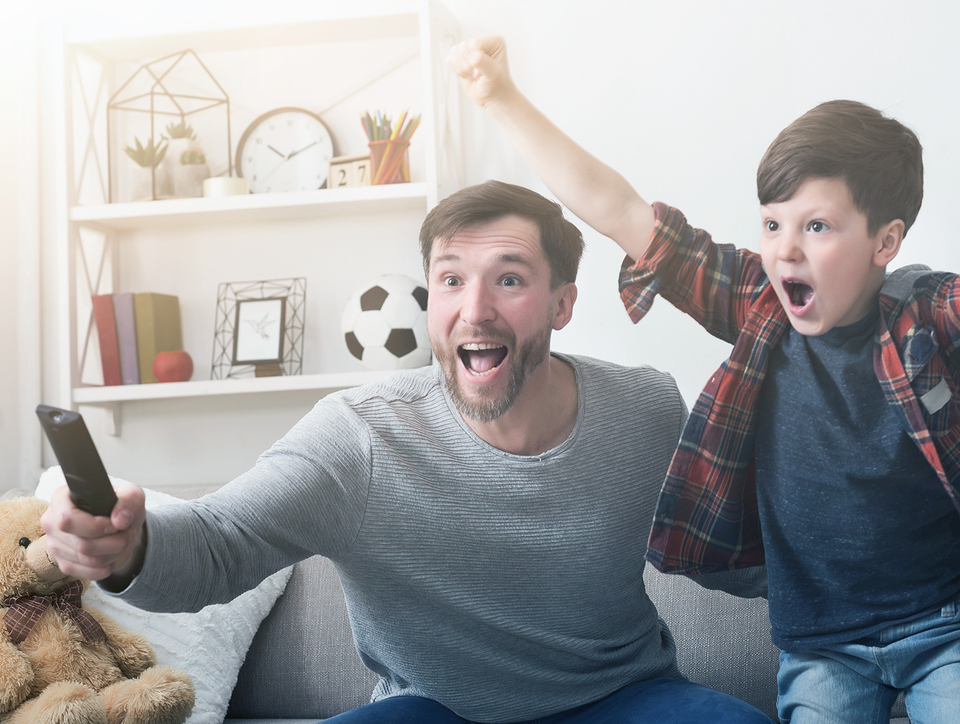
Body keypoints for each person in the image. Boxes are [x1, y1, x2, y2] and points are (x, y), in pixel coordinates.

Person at [41, 180, 772, 724]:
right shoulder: (360, 435)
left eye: (509, 279)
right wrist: (127, 548)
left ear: (562, 305)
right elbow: (221, 542)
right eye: (451, 280)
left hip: (622, 699)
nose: (474, 308)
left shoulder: (645, 409)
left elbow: (734, 552)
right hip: (430, 711)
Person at [447, 35, 960, 724]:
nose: (786, 248)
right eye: (773, 223)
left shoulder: (928, 313)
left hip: (943, 627)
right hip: (824, 647)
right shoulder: (758, 304)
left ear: (885, 242)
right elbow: (621, 210)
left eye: (816, 226)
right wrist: (503, 99)